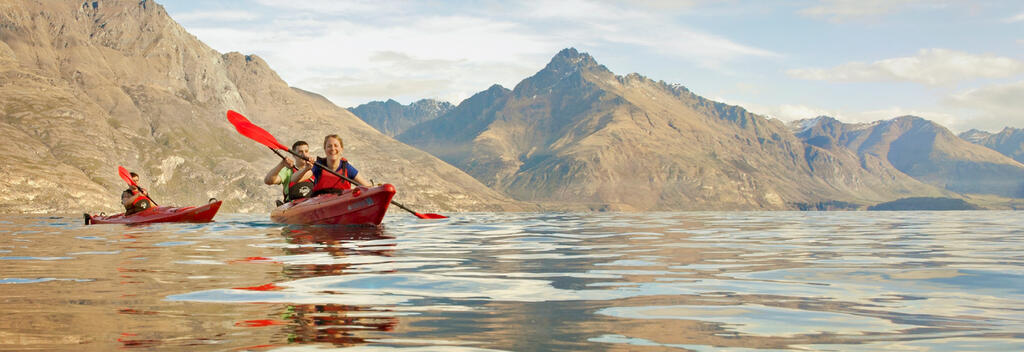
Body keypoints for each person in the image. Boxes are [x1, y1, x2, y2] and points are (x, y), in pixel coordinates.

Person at [291, 134, 371, 196]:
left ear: (341, 149)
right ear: (325, 149)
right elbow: (294, 179)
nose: (332, 149)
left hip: (342, 203)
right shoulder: (318, 166)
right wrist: (306, 169)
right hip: (320, 203)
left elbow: (367, 187)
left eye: (336, 146)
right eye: (329, 146)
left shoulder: (346, 168)